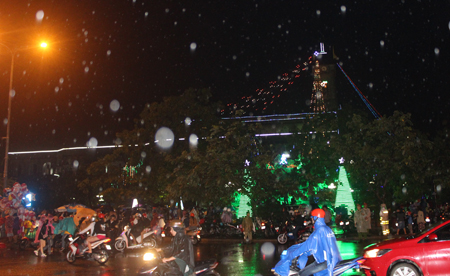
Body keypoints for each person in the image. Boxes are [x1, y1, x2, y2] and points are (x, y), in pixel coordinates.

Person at [273, 208, 341, 276]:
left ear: (315, 218)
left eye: (312, 218)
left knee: (302, 274)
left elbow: (307, 246)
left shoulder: (319, 231)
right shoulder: (327, 229)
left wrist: (291, 254)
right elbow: (318, 246)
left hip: (326, 263)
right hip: (332, 260)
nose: (311, 220)